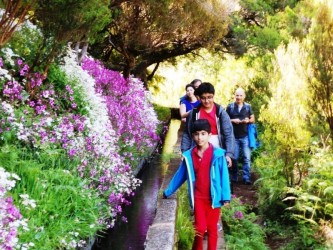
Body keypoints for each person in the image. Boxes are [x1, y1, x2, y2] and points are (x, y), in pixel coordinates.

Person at [163, 119, 231, 250]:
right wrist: (167, 192)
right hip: (198, 198)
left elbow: (224, 176)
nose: (199, 137)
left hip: (214, 198)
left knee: (212, 229)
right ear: (192, 136)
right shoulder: (189, 156)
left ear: (209, 135)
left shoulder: (218, 154)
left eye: (203, 133)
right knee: (199, 229)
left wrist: (225, 196)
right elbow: (180, 176)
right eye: (196, 134)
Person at [181, 82, 235, 167]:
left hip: (217, 150)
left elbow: (229, 134)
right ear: (199, 98)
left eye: (209, 97)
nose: (206, 101)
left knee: (216, 177)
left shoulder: (220, 112)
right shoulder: (194, 113)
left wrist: (229, 154)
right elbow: (187, 133)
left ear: (213, 96)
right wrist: (184, 152)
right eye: (203, 98)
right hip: (198, 150)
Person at [226, 88, 255, 185]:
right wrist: (233, 120)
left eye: (240, 95)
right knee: (234, 158)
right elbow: (224, 120)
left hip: (245, 136)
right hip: (233, 137)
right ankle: (234, 177)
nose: (238, 97)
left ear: (244, 96)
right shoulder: (230, 107)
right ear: (235, 96)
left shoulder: (248, 107)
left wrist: (248, 120)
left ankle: (246, 178)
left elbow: (253, 119)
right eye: (237, 95)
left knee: (247, 158)